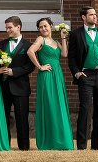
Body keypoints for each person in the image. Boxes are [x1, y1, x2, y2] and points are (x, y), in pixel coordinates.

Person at [67, 6, 98, 150]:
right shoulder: (76, 34)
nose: (95, 17)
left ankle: (97, 145)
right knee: (85, 109)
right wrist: (77, 72)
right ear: (83, 17)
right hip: (85, 76)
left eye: (95, 14)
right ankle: (81, 145)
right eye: (91, 14)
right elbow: (72, 57)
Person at [28, 17, 73, 150]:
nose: (43, 29)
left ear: (51, 26)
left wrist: (64, 37)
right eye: (40, 27)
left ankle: (61, 140)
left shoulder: (56, 42)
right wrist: (40, 66)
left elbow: (64, 54)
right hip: (46, 76)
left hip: (57, 76)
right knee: (50, 105)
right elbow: (30, 51)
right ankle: (49, 141)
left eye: (45, 26)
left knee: (59, 105)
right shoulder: (40, 39)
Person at [0, 15, 34, 150]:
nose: (7, 30)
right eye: (6, 28)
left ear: (18, 27)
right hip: (3, 87)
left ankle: (24, 147)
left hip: (21, 87)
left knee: (22, 118)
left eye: (10, 27)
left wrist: (14, 72)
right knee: (3, 117)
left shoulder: (29, 46)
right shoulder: (1, 45)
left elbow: (30, 66)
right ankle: (4, 145)